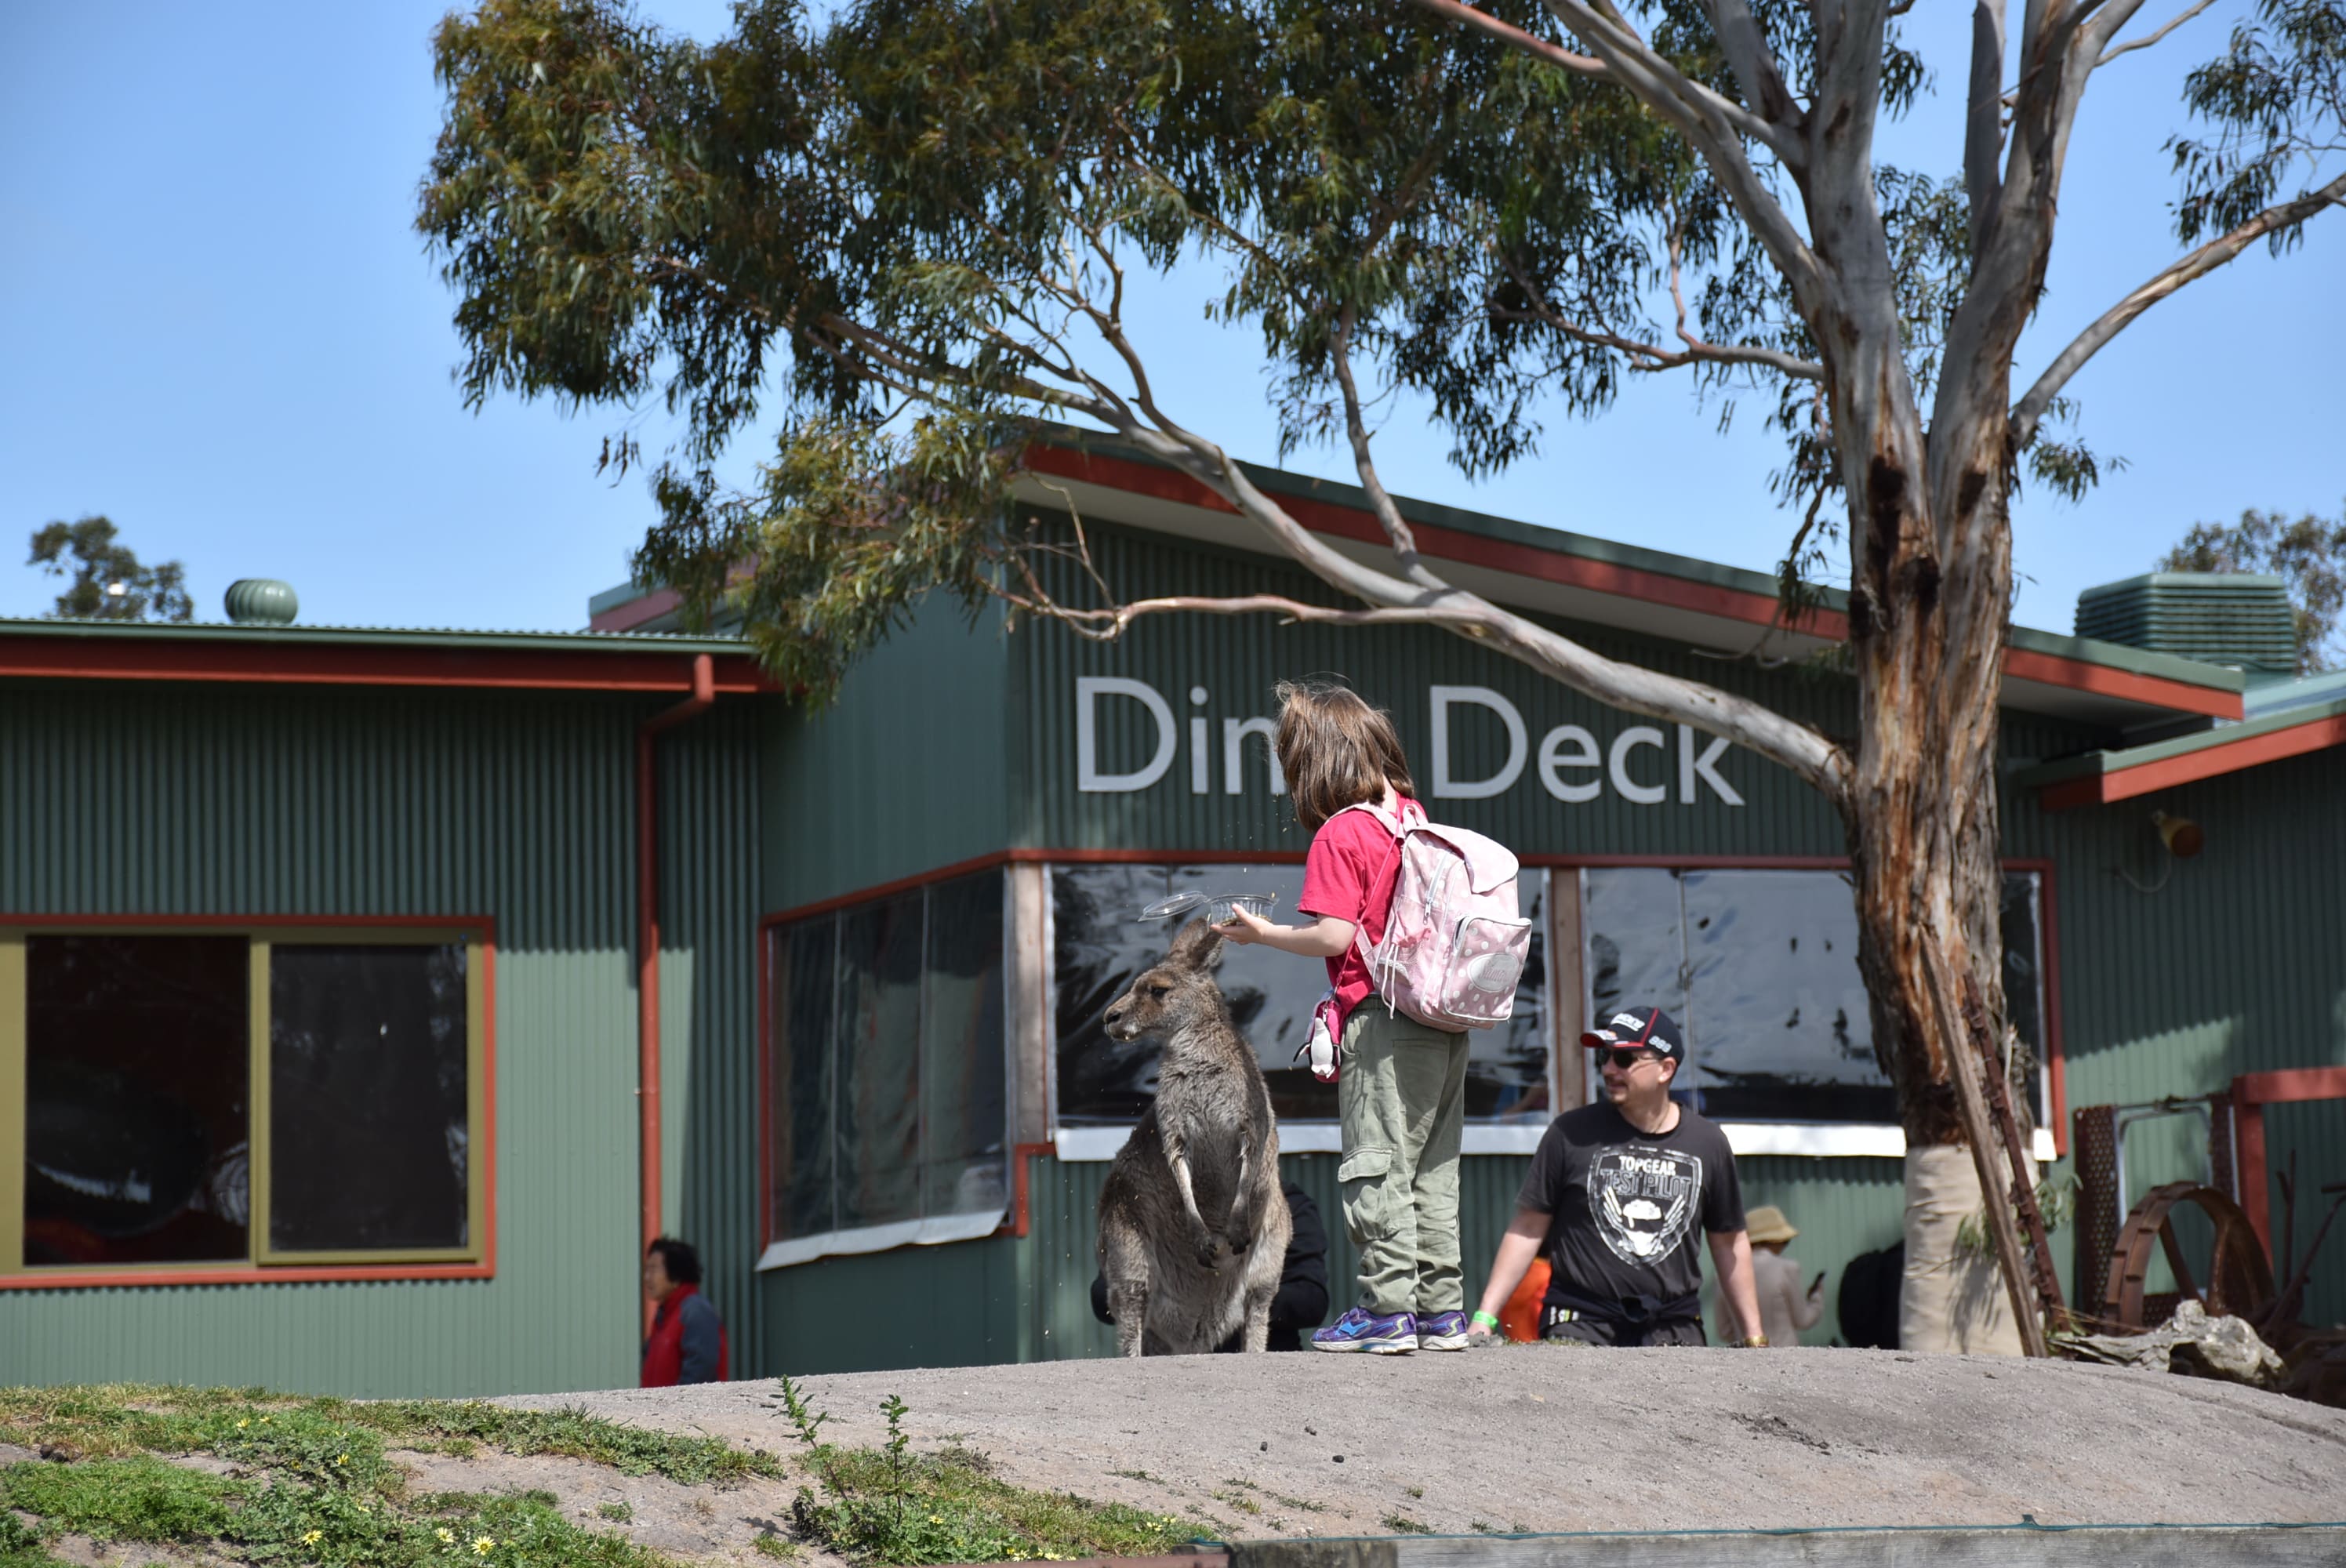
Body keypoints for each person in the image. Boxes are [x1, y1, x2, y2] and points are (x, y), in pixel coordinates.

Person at [1214, 679, 1470, 1355]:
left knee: (1377, 1162)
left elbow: (1333, 937)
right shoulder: (1412, 818)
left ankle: (1387, 1310)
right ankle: (1440, 1310)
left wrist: (1261, 934)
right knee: (1432, 1167)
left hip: (1383, 1019)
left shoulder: (1342, 830)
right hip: (1444, 1019)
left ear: (1316, 760)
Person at [1467, 1006, 1767, 1347]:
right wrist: (1484, 1317)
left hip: (1673, 1329)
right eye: (1605, 1058)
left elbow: (1729, 1241)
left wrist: (1754, 1337)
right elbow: (1528, 1227)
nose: (1609, 1069)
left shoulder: (1708, 1143)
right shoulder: (1570, 1133)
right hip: (1579, 1323)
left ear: (1665, 1069)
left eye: (1624, 1060)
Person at [1089, 1179, 1331, 1351]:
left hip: (1264, 1371)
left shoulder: (1288, 1205)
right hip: (1170, 1374)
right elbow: (1102, 1297)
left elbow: (1311, 1301)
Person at [1717, 1204, 1825, 1347]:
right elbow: (1803, 1320)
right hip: (1784, 1356)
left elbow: (1724, 1331)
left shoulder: (1723, 1274)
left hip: (1743, 1358)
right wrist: (1817, 1299)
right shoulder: (1787, 1268)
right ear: (1775, 1240)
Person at [641, 1236, 728, 1386]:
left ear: (675, 1275)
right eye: (646, 1270)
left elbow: (700, 1371)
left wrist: (677, 1407)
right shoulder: (664, 1317)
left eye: (654, 1269)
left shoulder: (696, 1312)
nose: (647, 1278)